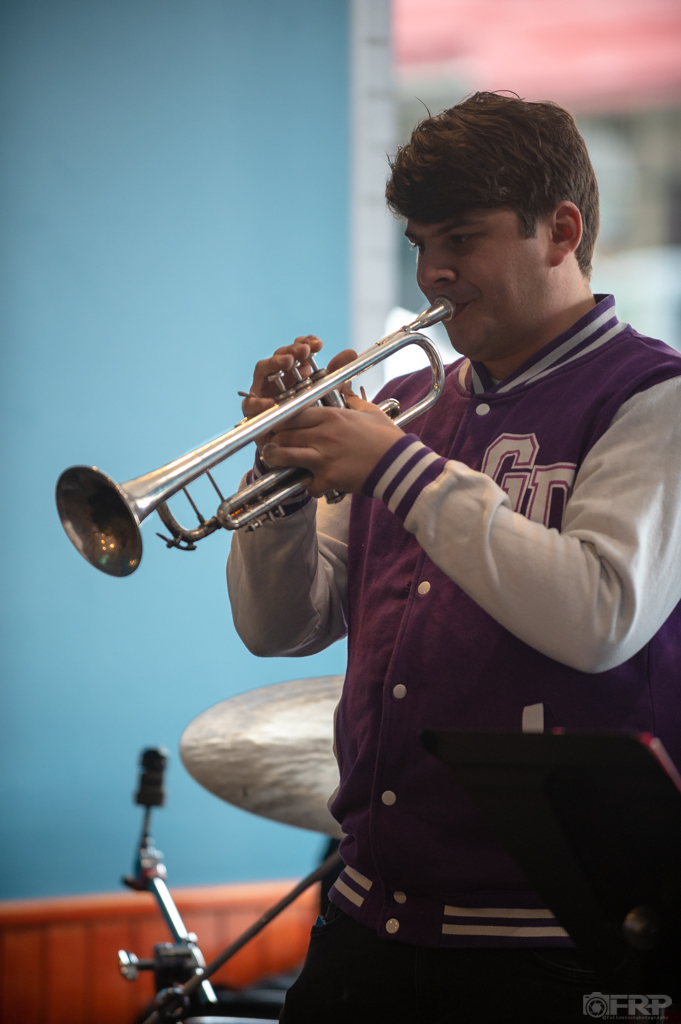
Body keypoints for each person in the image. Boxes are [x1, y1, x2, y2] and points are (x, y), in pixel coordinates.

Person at [227, 93, 681, 1022]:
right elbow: (281, 629)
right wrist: (277, 480)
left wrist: (397, 470)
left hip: (559, 944)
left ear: (560, 233)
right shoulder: (405, 404)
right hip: (365, 915)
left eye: (462, 239)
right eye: (419, 242)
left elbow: (600, 617)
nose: (432, 272)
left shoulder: (650, 398)